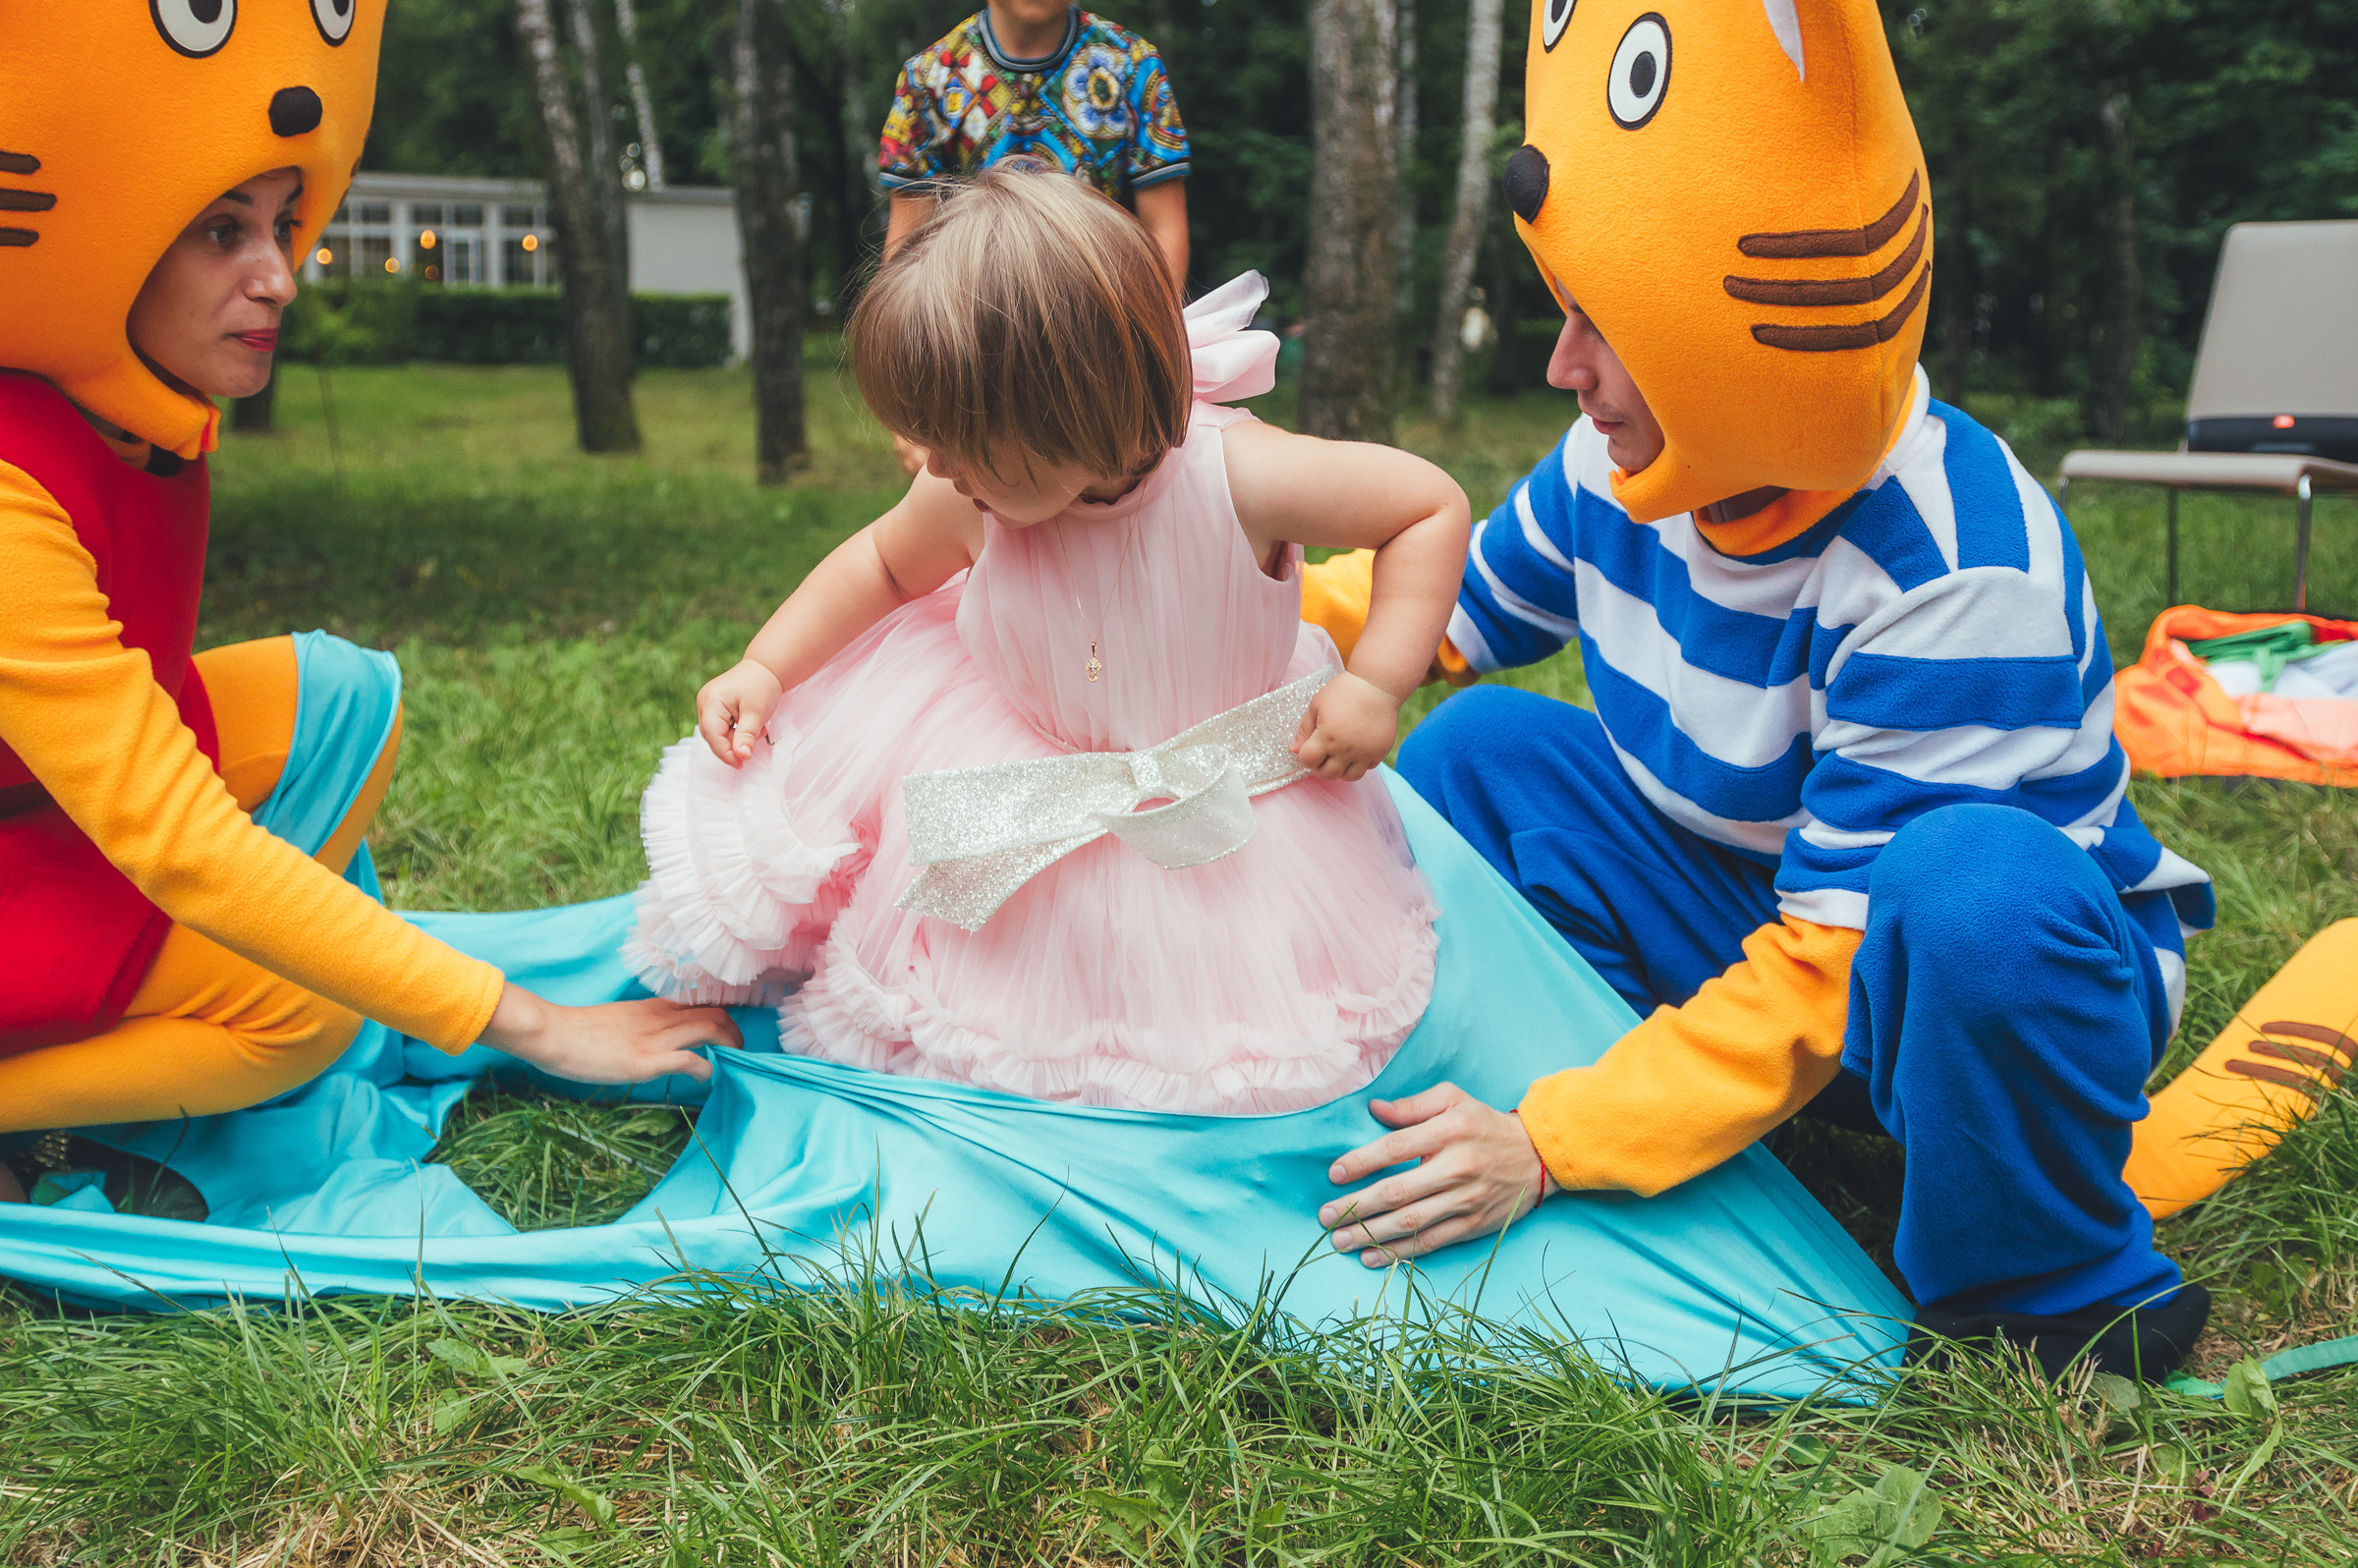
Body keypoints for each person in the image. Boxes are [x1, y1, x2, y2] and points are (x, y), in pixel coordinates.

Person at [1299, 0, 2215, 1378]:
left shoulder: (1954, 573)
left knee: (1968, 900)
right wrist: (1235, 611)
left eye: (1605, 327)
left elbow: (1832, 965)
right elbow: (1439, 612)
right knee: (1484, 748)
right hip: (1767, 893)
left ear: (1719, 333)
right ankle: (1630, 1090)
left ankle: (2041, 1278)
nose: (1564, 369)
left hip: (1947, 975)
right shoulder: (1635, 461)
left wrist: (1560, 1144)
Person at [0, 12, 736, 1204]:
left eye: (283, 223)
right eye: (221, 231)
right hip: (34, 849)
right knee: (296, 1014)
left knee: (342, 694)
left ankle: (277, 974)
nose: (280, 276)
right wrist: (539, 1026)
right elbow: (183, 845)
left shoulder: (128, 410)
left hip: (38, 805)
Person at [626, 167, 1468, 1114]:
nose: (934, 466)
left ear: (1068, 415)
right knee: (998, 992)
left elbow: (1428, 506)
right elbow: (881, 566)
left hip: (1228, 804)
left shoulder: (1242, 476)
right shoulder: (967, 497)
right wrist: (767, 663)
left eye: (957, 441)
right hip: (1028, 761)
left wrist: (1378, 682)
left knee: (1209, 1017)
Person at [877, 1, 1191, 287]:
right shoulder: (927, 80)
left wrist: (1147, 335)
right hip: (970, 324)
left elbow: (1164, 231)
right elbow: (906, 252)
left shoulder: (1133, 66)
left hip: (1106, 318)